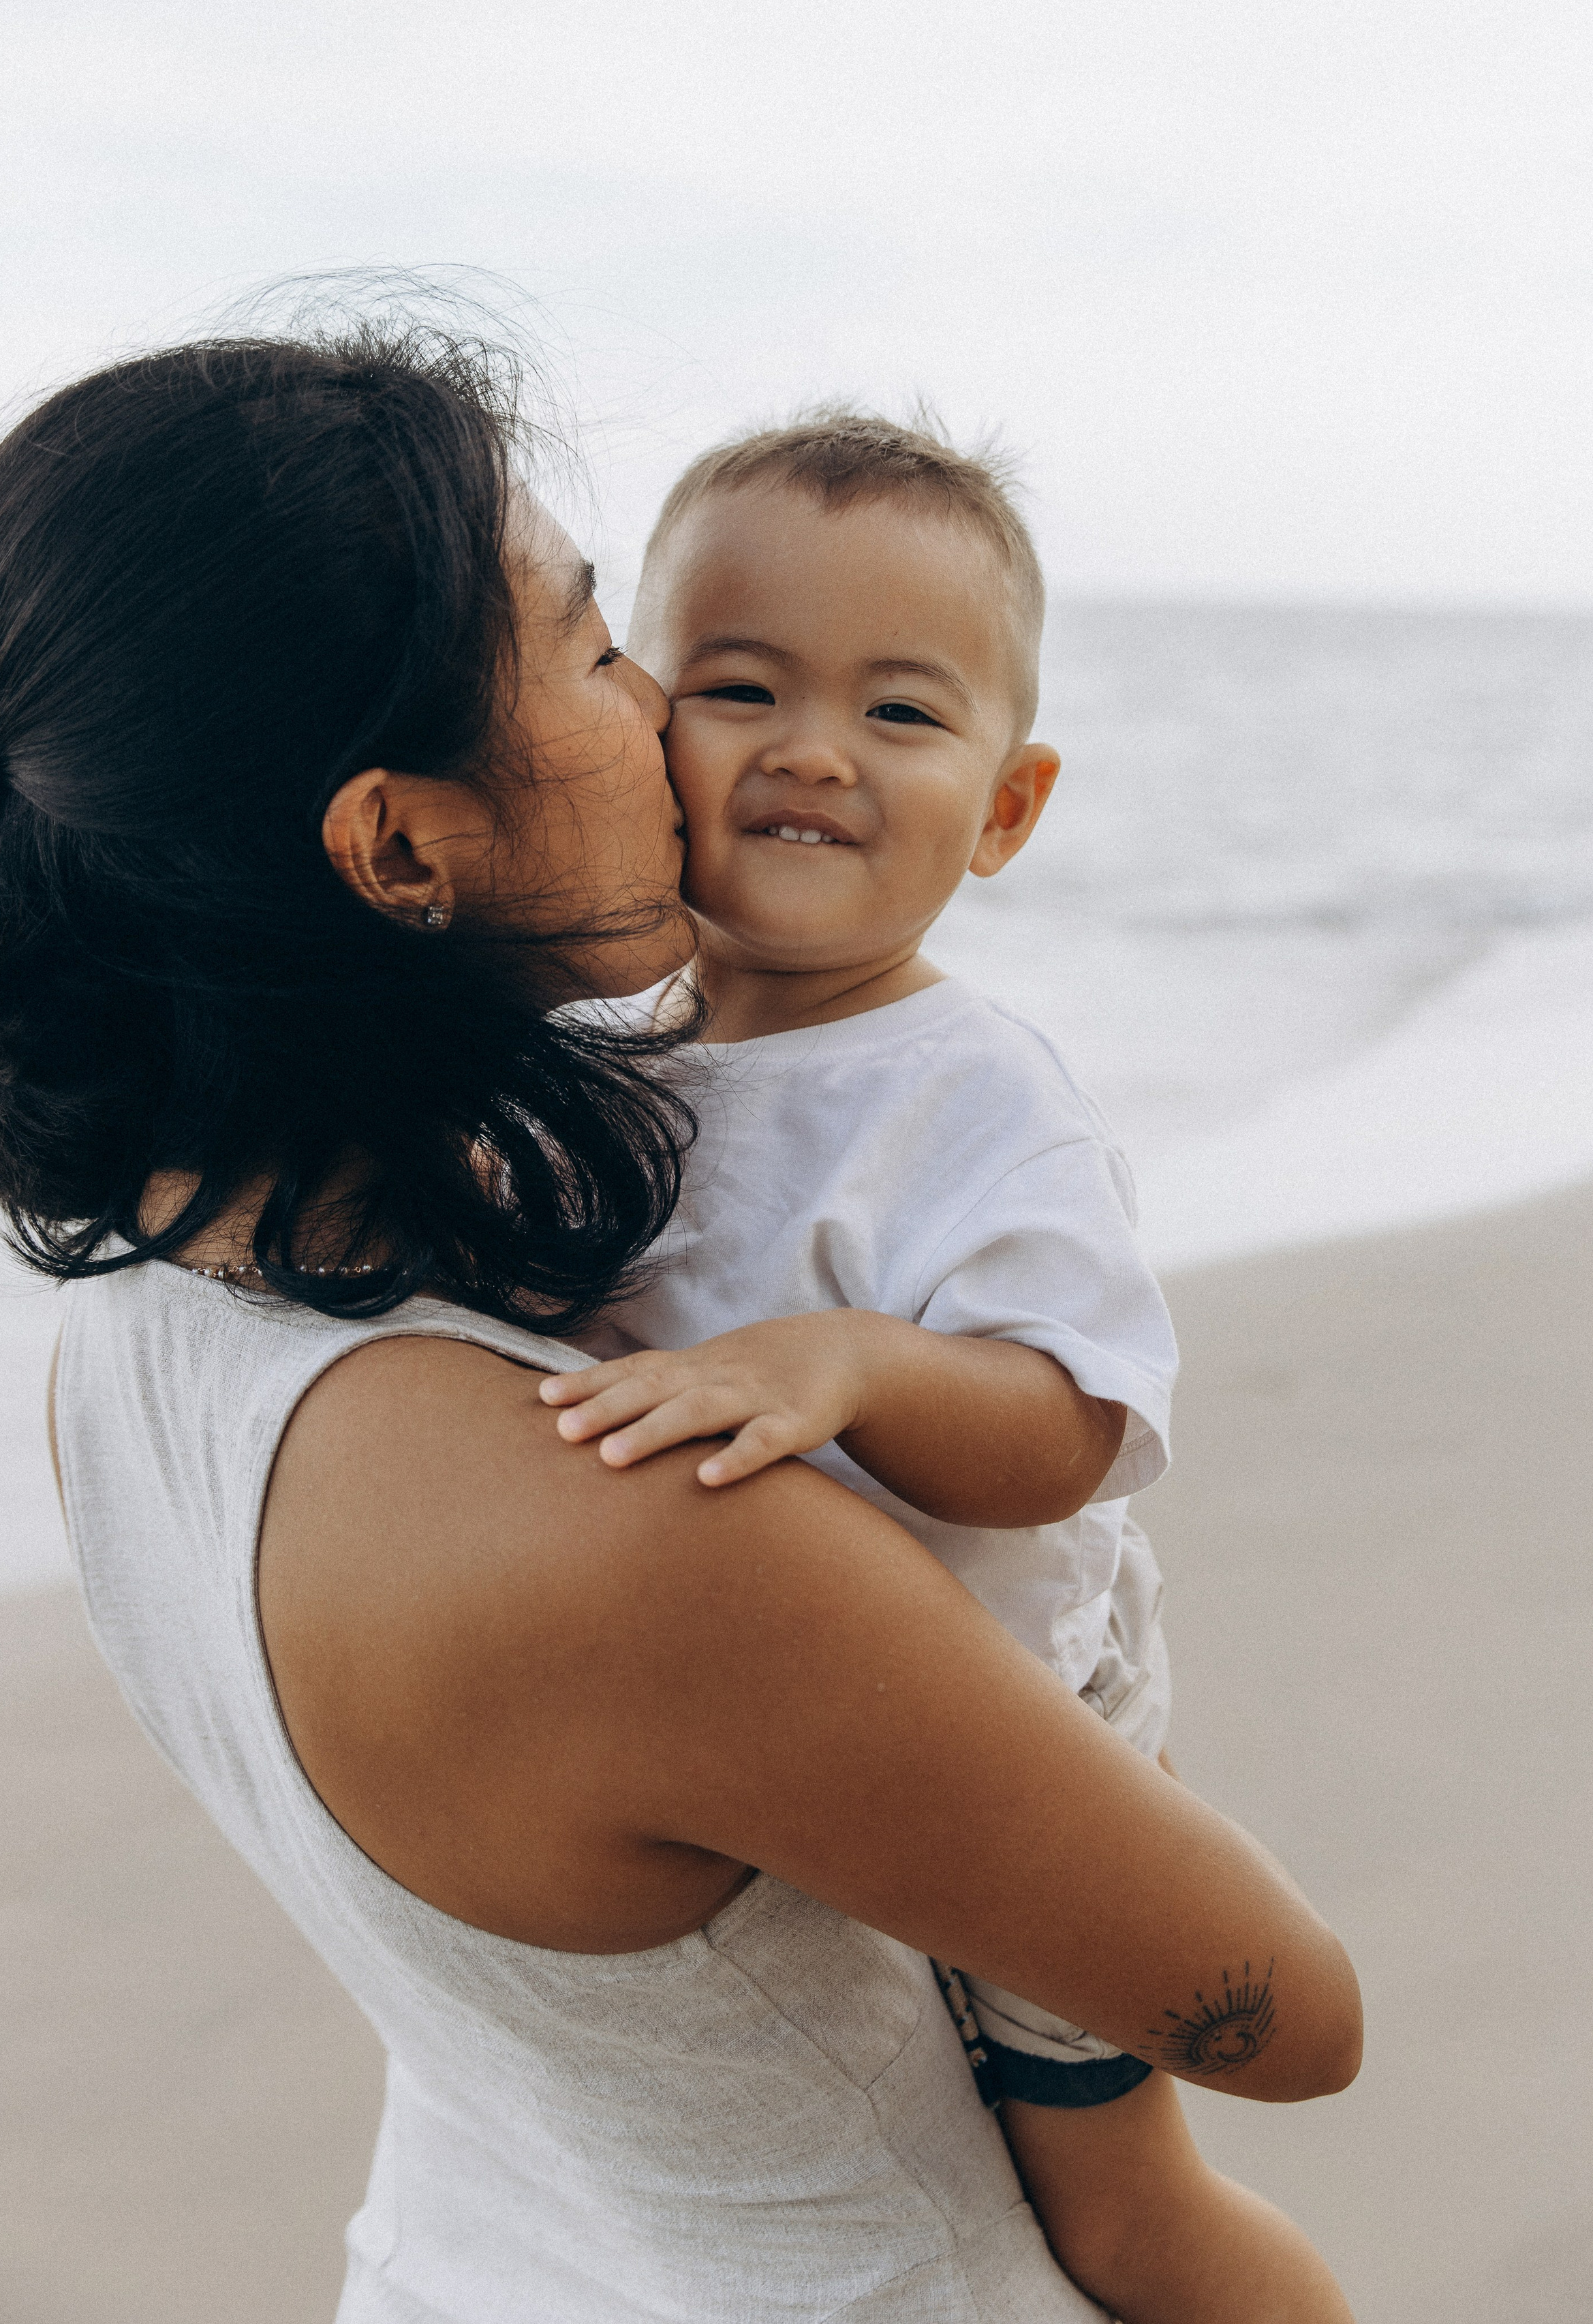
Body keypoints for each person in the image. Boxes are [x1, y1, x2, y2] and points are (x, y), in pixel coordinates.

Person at [0, 318, 1361, 2324]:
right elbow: (1290, 2018)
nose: (666, 713)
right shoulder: (639, 1534)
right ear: (397, 843)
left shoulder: (135, 1349)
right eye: (594, 647)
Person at [539, 412, 1357, 2321]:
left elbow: (1073, 1426)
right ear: (646, 731)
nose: (814, 747)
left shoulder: (975, 1096)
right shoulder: (620, 1057)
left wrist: (861, 1363)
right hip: (792, 1740)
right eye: (741, 686)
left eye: (901, 715)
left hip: (1017, 1727)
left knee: (1114, 2200)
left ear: (1007, 807)